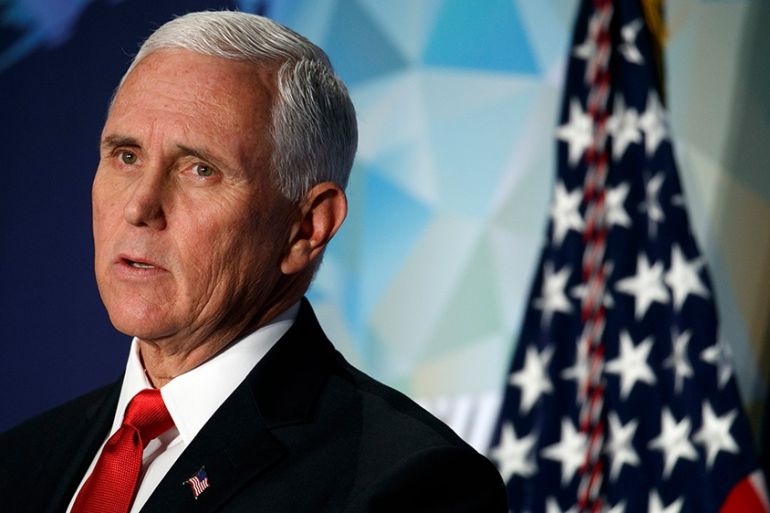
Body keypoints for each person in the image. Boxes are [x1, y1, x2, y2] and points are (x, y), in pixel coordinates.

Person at [0, 10, 507, 513]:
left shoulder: (410, 484)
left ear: (307, 227)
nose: (139, 207)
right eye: (126, 156)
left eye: (200, 169)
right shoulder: (22, 459)